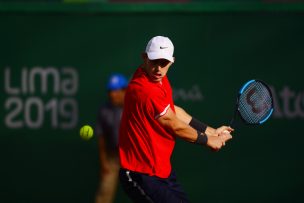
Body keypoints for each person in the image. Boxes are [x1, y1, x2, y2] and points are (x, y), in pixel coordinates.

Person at [118, 36, 234, 203]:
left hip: (161, 169)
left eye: (163, 63)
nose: (158, 68)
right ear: (144, 57)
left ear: (172, 61)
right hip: (140, 172)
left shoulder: (159, 79)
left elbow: (174, 112)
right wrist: (208, 140)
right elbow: (173, 124)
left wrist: (211, 131)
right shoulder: (145, 90)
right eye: (154, 61)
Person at [95, 73, 128, 203]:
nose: (112, 94)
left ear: (124, 90)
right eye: (110, 91)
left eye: (115, 90)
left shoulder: (135, 106)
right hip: (113, 157)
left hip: (134, 157)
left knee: (147, 190)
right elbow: (101, 137)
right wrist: (103, 161)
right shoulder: (104, 110)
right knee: (104, 193)